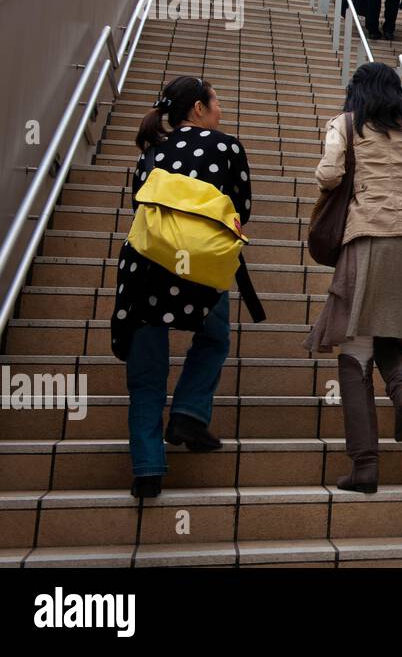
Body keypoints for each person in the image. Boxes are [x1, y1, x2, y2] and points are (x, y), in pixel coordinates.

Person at [306, 62, 402, 494]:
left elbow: (328, 174)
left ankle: (365, 465)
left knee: (354, 349)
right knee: (389, 332)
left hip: (370, 233)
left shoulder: (346, 123)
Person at [111, 76, 255, 498]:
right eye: (216, 102)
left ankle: (148, 469)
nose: (220, 109)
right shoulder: (226, 146)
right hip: (199, 267)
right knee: (213, 340)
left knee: (147, 374)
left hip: (145, 265)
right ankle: (190, 412)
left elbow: (139, 200)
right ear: (197, 108)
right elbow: (241, 209)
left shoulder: (151, 152)